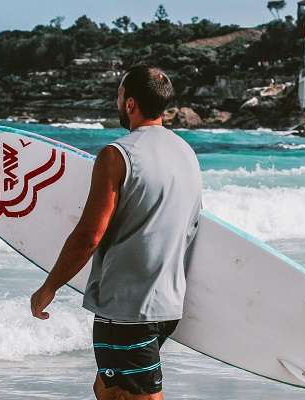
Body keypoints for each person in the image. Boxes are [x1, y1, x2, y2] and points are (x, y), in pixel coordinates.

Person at [30, 65, 203, 400]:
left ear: (130, 105)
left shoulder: (118, 155)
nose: (118, 99)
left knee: (139, 396)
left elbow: (89, 235)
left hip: (127, 309)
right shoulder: (186, 154)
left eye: (120, 93)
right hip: (168, 303)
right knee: (108, 389)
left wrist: (49, 287)